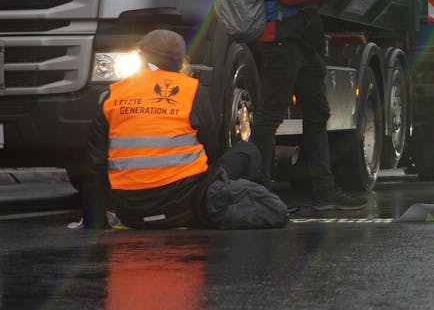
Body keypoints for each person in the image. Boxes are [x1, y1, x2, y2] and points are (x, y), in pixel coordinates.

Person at [84, 30, 287, 229]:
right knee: (246, 152)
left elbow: (95, 163)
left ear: (141, 55)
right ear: (181, 61)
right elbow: (211, 148)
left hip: (129, 213)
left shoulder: (113, 94)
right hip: (183, 208)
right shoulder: (191, 90)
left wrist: (95, 221)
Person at [249, 0, 369, 211]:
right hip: (283, 40)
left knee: (318, 114)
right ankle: (258, 191)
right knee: (271, 115)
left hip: (302, 41)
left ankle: (324, 190)